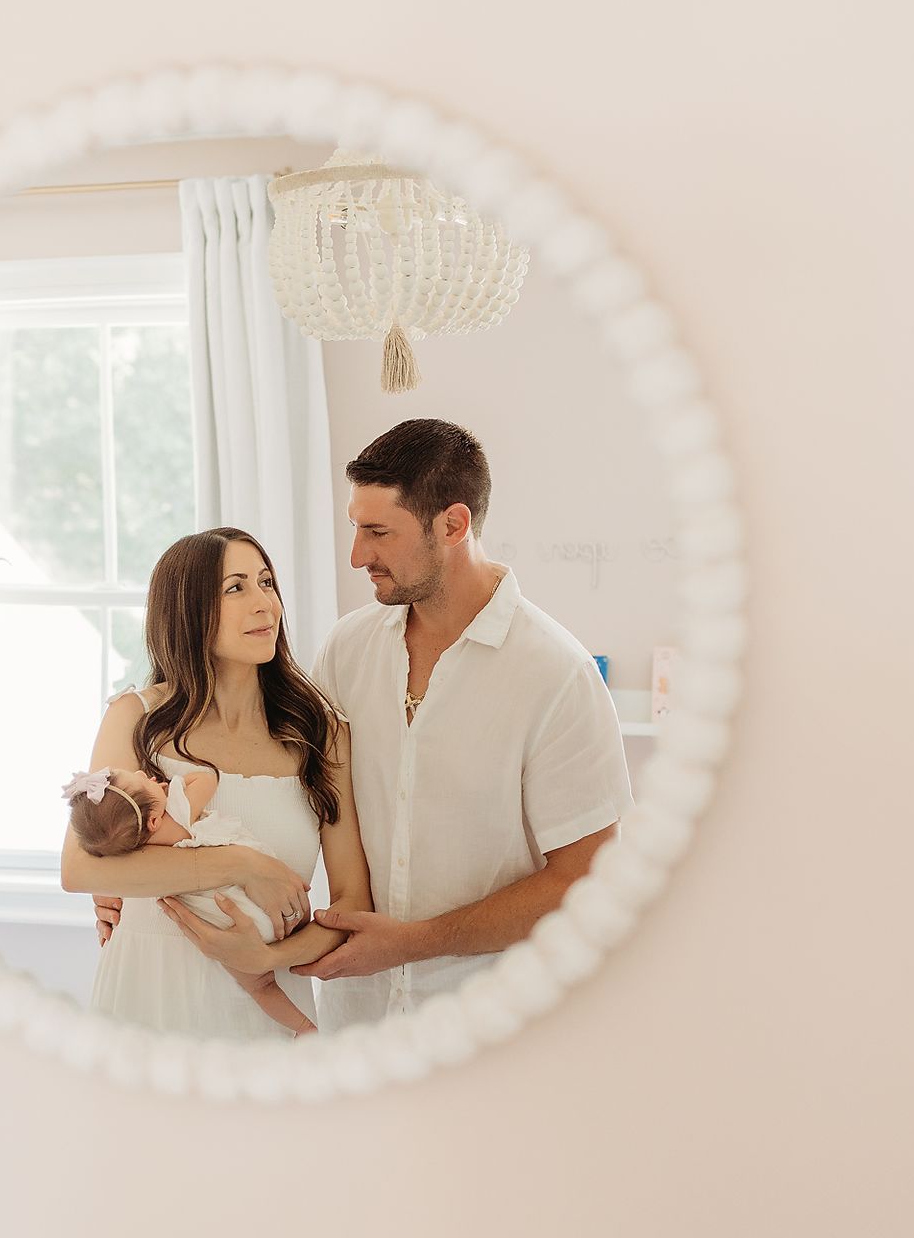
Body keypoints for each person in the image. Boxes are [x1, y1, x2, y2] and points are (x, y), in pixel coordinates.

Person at [160, 419, 633, 1030]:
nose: (358, 555)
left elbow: (585, 879)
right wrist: (136, 865)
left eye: (378, 532)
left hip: (498, 1027)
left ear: (453, 526)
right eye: (356, 528)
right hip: (357, 1020)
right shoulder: (348, 649)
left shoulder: (556, 675)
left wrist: (414, 942)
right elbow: (266, 781)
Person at [59, 527, 371, 1040]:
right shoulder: (136, 718)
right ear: (188, 610)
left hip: (268, 1010)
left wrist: (269, 956)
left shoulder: (322, 733)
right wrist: (244, 865)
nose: (264, 603)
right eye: (236, 588)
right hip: (147, 1002)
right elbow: (79, 868)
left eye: (267, 583)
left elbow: (353, 901)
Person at [65, 765, 315, 1036]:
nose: (142, 773)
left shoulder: (136, 852)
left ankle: (303, 1027)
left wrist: (150, 794)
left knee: (260, 986)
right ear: (153, 822)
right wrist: (172, 787)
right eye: (141, 782)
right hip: (256, 904)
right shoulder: (178, 814)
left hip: (225, 925)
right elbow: (207, 779)